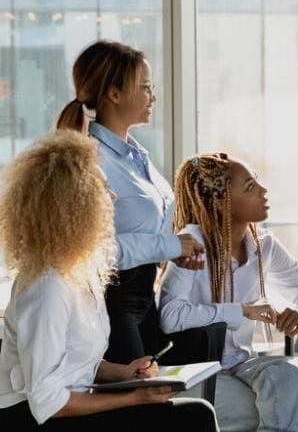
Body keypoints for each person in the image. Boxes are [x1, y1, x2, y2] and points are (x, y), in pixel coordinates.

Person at [0, 131, 218, 431]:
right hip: (30, 418)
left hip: (68, 405)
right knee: (192, 417)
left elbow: (75, 362)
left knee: (191, 414)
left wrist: (125, 373)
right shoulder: (47, 289)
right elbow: (47, 401)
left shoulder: (79, 273)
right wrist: (134, 399)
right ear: (74, 205)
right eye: (103, 188)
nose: (113, 196)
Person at [55, 40, 204, 364]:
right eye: (146, 87)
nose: (153, 96)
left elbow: (151, 233)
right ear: (114, 93)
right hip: (110, 305)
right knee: (141, 405)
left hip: (144, 300)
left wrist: (175, 252)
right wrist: (170, 246)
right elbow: (94, 253)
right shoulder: (89, 161)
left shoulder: (137, 156)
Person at [159, 153, 298, 432]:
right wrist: (241, 311)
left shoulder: (263, 245)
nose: (263, 191)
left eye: (256, 182)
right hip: (195, 372)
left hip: (241, 367)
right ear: (221, 203)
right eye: (249, 187)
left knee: (296, 374)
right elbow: (169, 316)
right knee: (274, 409)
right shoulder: (192, 244)